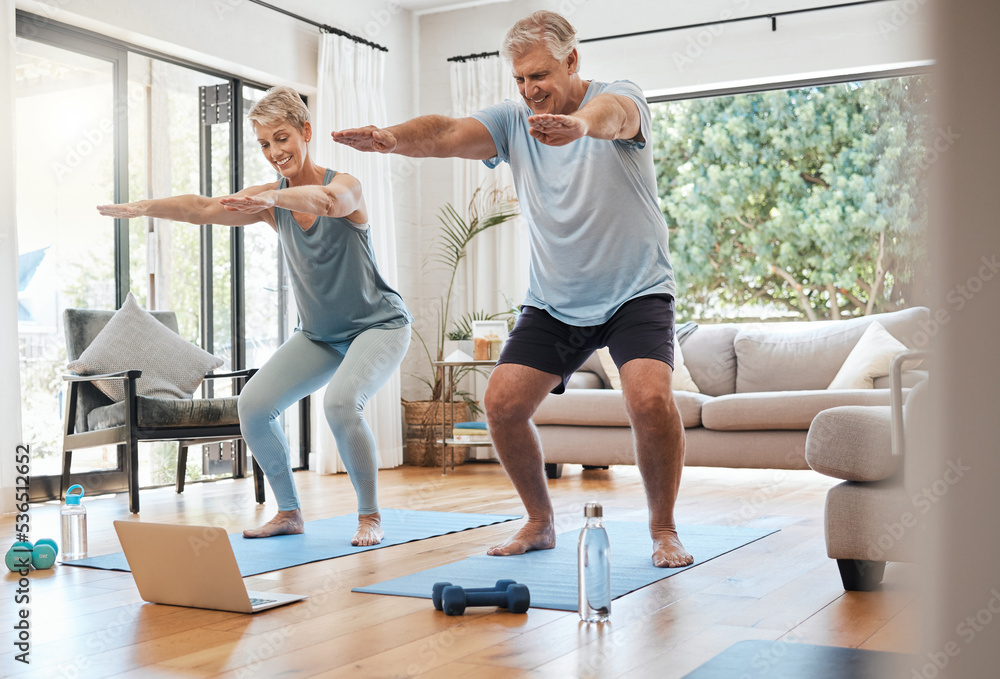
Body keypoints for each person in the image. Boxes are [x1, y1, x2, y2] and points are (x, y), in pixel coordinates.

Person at [333, 11, 693, 568]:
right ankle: (541, 521)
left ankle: (664, 529)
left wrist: (580, 127)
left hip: (636, 290)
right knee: (501, 405)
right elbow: (448, 133)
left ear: (573, 61)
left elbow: (614, 116)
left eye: (540, 76)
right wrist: (391, 139)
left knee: (648, 398)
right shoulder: (514, 120)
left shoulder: (619, 97)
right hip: (556, 299)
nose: (530, 91)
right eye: (520, 80)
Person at [97, 86, 412, 546]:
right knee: (255, 405)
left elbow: (327, 202)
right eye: (264, 144)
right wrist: (145, 208)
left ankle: (369, 516)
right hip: (320, 335)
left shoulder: (346, 185)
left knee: (341, 404)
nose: (274, 153)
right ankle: (288, 512)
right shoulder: (270, 198)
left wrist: (271, 200)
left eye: (281, 138)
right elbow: (202, 208)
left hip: (379, 326)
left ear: (305, 132)